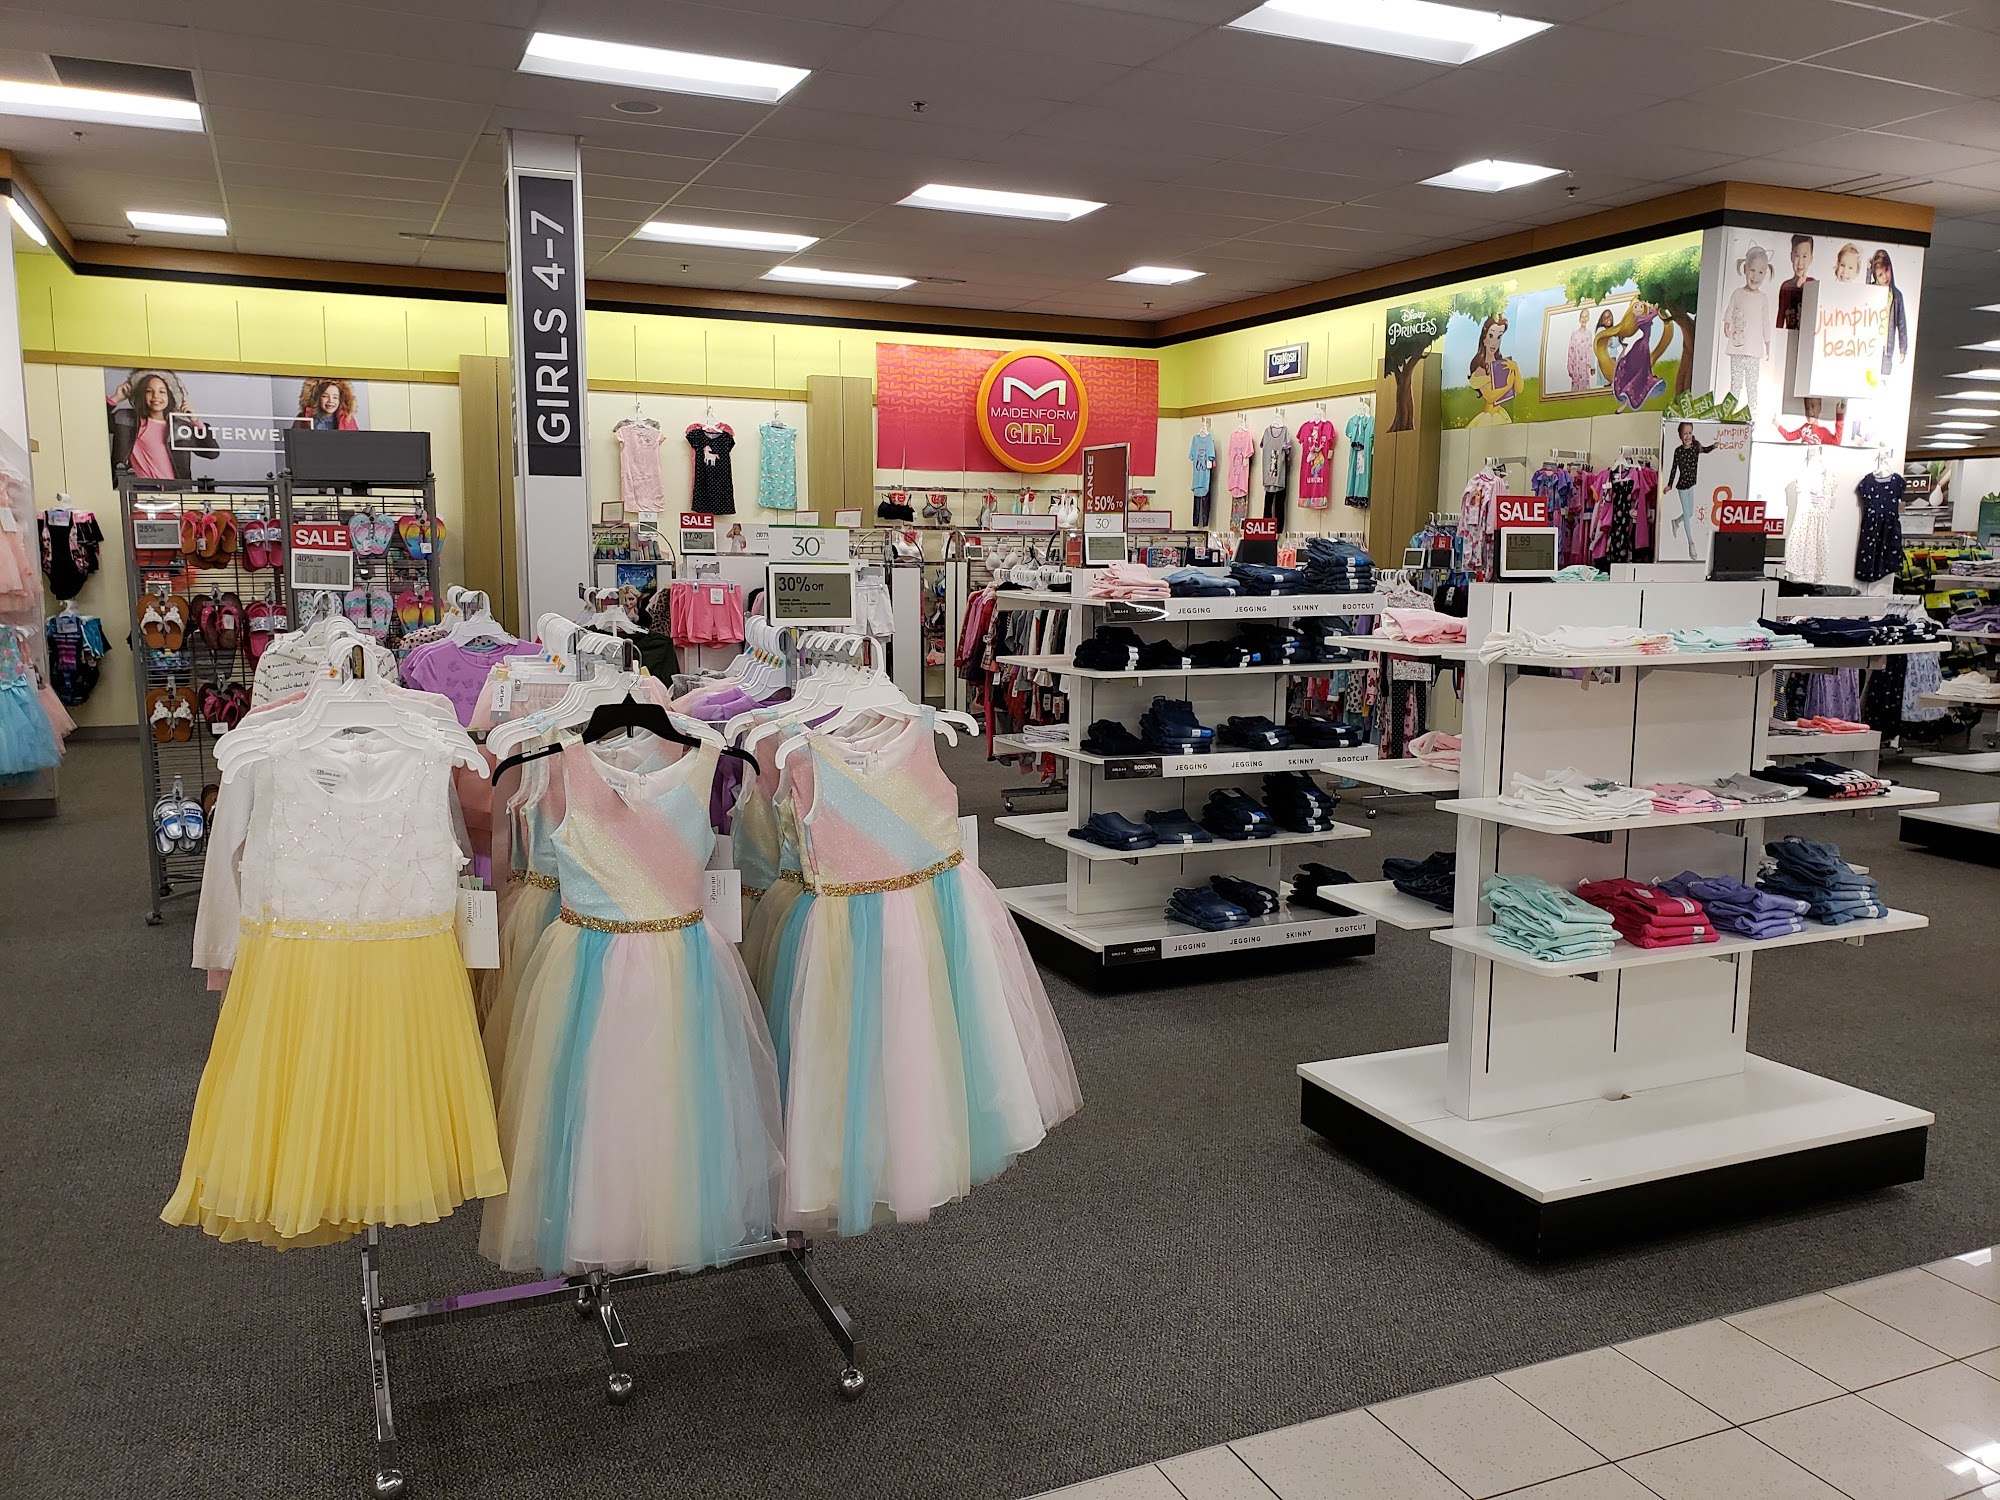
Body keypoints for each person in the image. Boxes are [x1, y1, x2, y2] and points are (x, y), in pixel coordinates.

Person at [107, 370, 217, 482]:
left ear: (170, 396)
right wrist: (115, 398)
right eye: (149, 391)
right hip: (138, 488)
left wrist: (195, 421)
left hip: (175, 489)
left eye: (162, 391)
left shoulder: (180, 427)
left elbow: (212, 452)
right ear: (142, 394)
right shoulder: (125, 419)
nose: (156, 396)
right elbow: (97, 426)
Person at [1723, 245, 1774, 412]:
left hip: (1754, 351)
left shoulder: (1763, 298)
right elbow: (1730, 310)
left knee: (1752, 383)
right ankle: (1729, 411)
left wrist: (1767, 343)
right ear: (1745, 269)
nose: (1755, 276)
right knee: (1735, 382)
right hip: (1737, 347)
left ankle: (1752, 411)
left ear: (1765, 274)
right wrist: (1727, 323)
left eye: (1760, 272)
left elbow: (1766, 322)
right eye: (1752, 270)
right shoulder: (1738, 293)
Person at [1667, 421, 1718, 556]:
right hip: (1682, 487)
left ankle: (1675, 522)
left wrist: (1713, 446)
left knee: (1689, 513)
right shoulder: (1678, 451)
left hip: (1691, 485)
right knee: (1687, 514)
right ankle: (1691, 543)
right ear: (1680, 435)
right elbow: (1673, 469)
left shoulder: (1696, 446)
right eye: (1685, 434)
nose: (1688, 436)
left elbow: (1705, 450)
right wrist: (1669, 485)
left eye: (1689, 433)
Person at [1466, 314, 1520, 426]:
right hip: (1488, 418)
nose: (1494, 342)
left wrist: (1515, 369)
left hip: (1500, 414)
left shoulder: (1501, 364)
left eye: (1499, 337)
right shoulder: (1480, 368)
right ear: (1484, 338)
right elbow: (1490, 397)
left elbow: (1519, 389)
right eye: (1491, 336)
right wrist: (1508, 386)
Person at [1868, 250, 1909, 377]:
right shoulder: (1871, 290)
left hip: (1886, 348)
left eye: (1886, 270)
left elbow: (1901, 323)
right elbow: (1863, 294)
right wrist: (1868, 271)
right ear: (1875, 276)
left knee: (1884, 377)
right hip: (1869, 345)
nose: (1885, 277)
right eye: (1880, 275)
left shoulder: (1896, 296)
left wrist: (1903, 348)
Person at [1776, 234, 1814, 330]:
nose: (1800, 262)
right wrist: (1778, 334)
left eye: (1804, 256)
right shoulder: (1786, 286)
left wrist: (1803, 288)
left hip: (1806, 335)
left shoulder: (1813, 284)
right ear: (1791, 256)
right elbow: (1780, 317)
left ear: (1811, 259)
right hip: (1789, 335)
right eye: (1797, 256)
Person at [293, 377, 359, 430]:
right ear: (318, 398)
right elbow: (294, 439)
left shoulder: (347, 420)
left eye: (335, 397)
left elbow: (355, 440)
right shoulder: (303, 418)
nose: (330, 401)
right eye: (325, 396)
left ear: (341, 400)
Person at [1566, 307, 1597, 393]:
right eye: (1582, 317)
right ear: (1579, 319)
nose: (1584, 319)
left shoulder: (1589, 334)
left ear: (1588, 318)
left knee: (1585, 388)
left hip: (1585, 367)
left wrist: (1592, 366)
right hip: (1576, 366)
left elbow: (1591, 350)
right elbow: (1571, 351)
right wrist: (1570, 368)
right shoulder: (1575, 334)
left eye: (1586, 316)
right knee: (1576, 388)